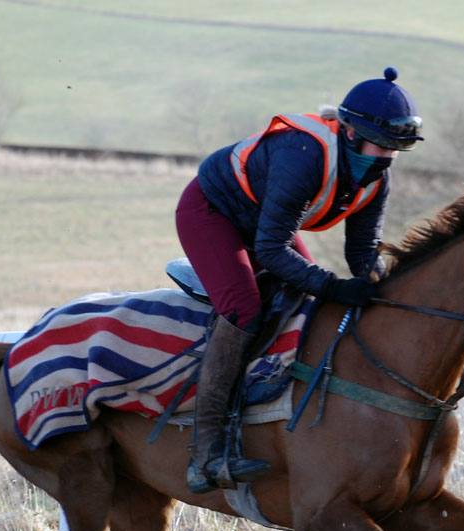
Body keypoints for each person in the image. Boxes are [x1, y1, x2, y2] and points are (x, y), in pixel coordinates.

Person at [175, 66, 424, 494]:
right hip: (211, 211)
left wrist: (382, 286)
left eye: (396, 150)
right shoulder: (302, 152)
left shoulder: (376, 178)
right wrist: (333, 285)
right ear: (348, 133)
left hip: (264, 221)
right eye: (381, 146)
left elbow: (362, 252)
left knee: (300, 299)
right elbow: (273, 250)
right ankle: (208, 452)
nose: (385, 158)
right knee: (244, 307)